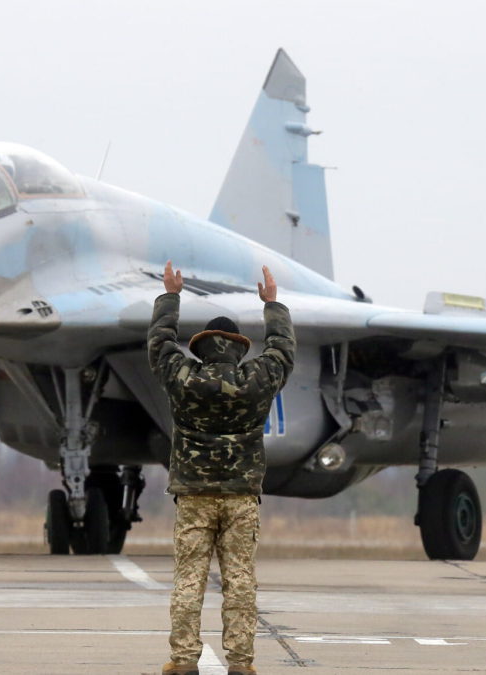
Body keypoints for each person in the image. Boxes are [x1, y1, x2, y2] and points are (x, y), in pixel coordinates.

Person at [149, 262, 295, 675]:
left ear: (202, 347)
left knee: (189, 579)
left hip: (194, 496)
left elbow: (159, 344)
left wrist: (171, 297)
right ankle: (241, 663)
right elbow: (284, 350)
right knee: (240, 580)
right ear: (236, 346)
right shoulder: (257, 379)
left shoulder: (183, 378)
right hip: (240, 497)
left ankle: (182, 660)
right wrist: (273, 305)